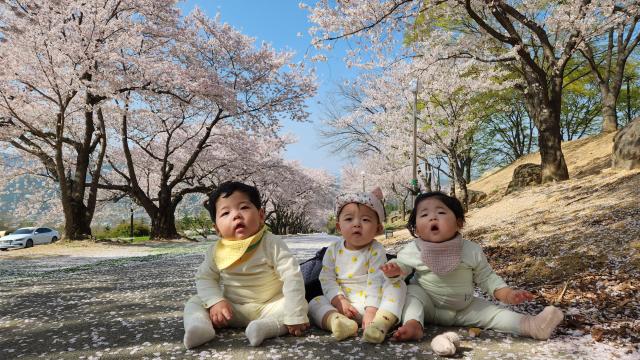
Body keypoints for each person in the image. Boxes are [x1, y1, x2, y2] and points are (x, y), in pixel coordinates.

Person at [381, 191, 563, 351]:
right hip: (428, 307)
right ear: (416, 228)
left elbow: (486, 277)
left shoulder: (470, 250)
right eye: (424, 214)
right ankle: (413, 325)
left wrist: (507, 294)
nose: (432, 218)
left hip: (464, 307)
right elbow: (402, 266)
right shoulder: (413, 249)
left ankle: (532, 326)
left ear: (459, 222)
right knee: (412, 293)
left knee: (494, 313)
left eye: (441, 212)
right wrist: (395, 270)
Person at [182, 181, 309, 349]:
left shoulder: (271, 243)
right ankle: (199, 327)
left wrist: (295, 315)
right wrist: (215, 301)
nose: (236, 215)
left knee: (299, 306)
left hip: (269, 306)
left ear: (261, 215)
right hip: (231, 310)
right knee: (195, 302)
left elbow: (292, 277)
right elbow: (205, 277)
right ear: (217, 228)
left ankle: (264, 328)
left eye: (244, 208)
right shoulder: (216, 250)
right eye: (225, 213)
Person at [308, 187, 406, 343]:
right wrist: (339, 301)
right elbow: (327, 279)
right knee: (314, 302)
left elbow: (376, 281)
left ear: (378, 229)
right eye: (349, 219)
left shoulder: (376, 249)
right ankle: (337, 322)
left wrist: (371, 310)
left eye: (365, 220)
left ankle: (381, 324)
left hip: (374, 306)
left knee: (398, 286)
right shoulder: (333, 250)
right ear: (339, 227)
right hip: (341, 305)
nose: (357, 224)